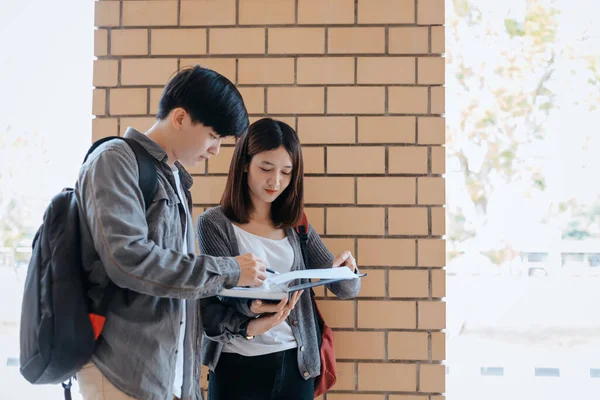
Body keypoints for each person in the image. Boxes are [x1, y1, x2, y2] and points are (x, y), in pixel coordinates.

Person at [74, 66, 268, 400]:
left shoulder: (174, 178)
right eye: (212, 135)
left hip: (168, 376)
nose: (215, 150)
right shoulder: (115, 160)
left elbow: (177, 280)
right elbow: (128, 260)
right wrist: (229, 269)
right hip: (122, 372)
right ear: (179, 117)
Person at [196, 118, 361, 400]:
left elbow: (344, 289)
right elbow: (221, 297)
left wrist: (348, 271)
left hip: (295, 365)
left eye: (286, 172)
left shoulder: (295, 224)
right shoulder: (214, 223)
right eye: (266, 168)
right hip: (236, 365)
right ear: (245, 164)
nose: (276, 182)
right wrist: (255, 307)